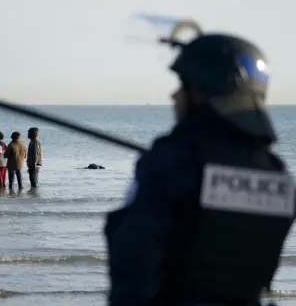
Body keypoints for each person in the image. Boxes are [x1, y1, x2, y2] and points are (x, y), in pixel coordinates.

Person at [105, 32, 295, 306]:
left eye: (184, 85)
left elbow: (134, 259)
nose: (174, 95)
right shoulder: (278, 176)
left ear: (204, 94)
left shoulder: (171, 163)